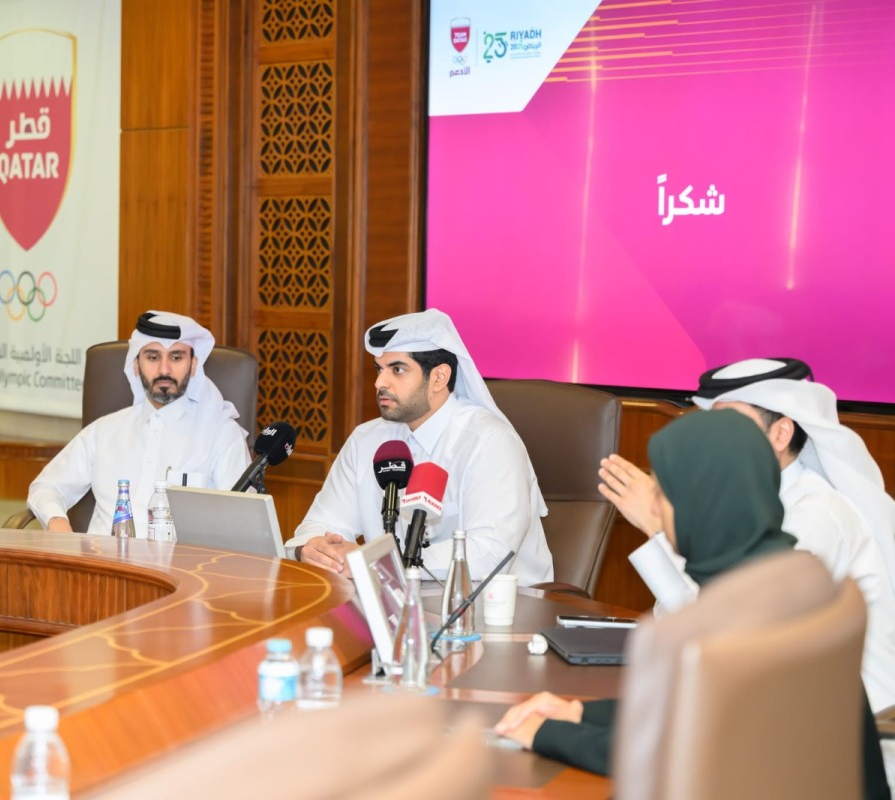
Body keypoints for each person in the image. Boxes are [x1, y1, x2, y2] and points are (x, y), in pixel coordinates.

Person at [494, 411, 890, 799]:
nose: (652, 509)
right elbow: (692, 712)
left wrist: (545, 734)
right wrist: (579, 713)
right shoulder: (798, 578)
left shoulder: (726, 623)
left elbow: (663, 755)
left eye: (662, 494)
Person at [598, 358, 895, 750]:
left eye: (732, 427)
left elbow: (737, 634)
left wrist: (659, 529)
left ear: (781, 433)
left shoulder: (817, 514)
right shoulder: (746, 501)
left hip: (841, 741)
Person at [285, 308, 552, 584]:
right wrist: (313, 548)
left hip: (500, 611)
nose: (379, 383)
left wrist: (376, 562)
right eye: (379, 369)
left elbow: (488, 552)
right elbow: (321, 523)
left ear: (439, 377)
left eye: (397, 370)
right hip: (396, 607)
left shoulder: (489, 443)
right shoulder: (366, 440)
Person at [27, 311, 251, 534]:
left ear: (193, 365)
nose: (164, 370)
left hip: (176, 567)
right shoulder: (104, 431)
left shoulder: (221, 435)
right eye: (153, 357)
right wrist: (57, 522)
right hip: (100, 564)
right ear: (136, 364)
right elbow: (46, 487)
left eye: (176, 357)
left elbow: (244, 522)